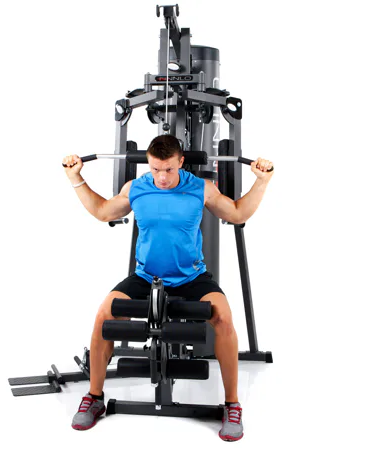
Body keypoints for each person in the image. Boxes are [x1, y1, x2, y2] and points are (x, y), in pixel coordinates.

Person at [62, 134, 273, 442]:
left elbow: (238, 213)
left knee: (224, 317)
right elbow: (103, 211)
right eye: (155, 169)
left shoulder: (201, 188)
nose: (161, 177)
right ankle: (94, 397)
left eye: (169, 169)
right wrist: (76, 178)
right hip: (146, 277)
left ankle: (232, 404)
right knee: (104, 316)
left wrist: (261, 182)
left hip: (191, 277)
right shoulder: (136, 188)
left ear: (181, 162)